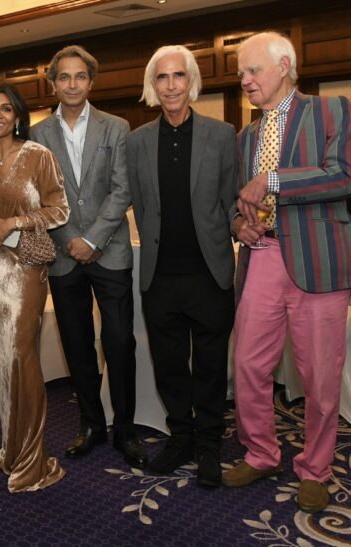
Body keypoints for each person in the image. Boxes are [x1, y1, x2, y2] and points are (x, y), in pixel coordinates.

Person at [222, 32, 351, 513]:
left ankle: (315, 468)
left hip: (318, 258)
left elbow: (344, 174)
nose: (244, 81)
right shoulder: (246, 135)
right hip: (264, 256)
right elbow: (242, 196)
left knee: (320, 375)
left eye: (252, 71)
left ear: (284, 66)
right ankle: (261, 453)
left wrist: (273, 180)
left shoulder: (333, 111)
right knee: (249, 365)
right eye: (240, 74)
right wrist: (241, 225)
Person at [29, 45, 146, 468]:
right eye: (64, 77)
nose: (72, 84)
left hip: (110, 251)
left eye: (80, 77)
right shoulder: (38, 135)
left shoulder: (116, 127)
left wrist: (92, 239)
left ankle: (126, 430)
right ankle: (92, 425)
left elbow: (123, 189)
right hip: (62, 256)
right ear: (54, 83)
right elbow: (44, 195)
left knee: (119, 343)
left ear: (90, 82)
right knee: (77, 345)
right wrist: (70, 240)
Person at [126, 45, 238, 487]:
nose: (171, 85)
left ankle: (209, 443)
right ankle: (182, 436)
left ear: (191, 82)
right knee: (170, 364)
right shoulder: (137, 142)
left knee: (210, 365)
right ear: (152, 86)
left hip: (209, 272)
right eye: (162, 78)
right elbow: (135, 200)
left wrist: (246, 225)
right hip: (159, 275)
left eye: (178, 76)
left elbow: (231, 201)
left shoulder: (222, 134)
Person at [0, 83, 69, 492]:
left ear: (17, 116)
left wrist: (14, 222)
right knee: (0, 358)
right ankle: (10, 449)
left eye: (6, 109)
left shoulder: (37, 155)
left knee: (21, 356)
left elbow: (59, 208)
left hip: (26, 268)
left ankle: (31, 458)